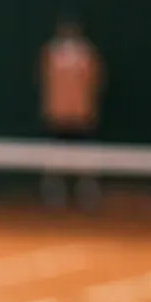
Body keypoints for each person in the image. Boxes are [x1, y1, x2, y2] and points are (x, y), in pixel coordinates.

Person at [38, 16, 104, 210]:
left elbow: (95, 81)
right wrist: (51, 109)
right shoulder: (50, 53)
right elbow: (46, 83)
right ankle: (53, 194)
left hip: (81, 116)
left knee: (86, 158)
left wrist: (88, 109)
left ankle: (88, 194)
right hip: (58, 116)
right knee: (54, 158)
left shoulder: (87, 54)